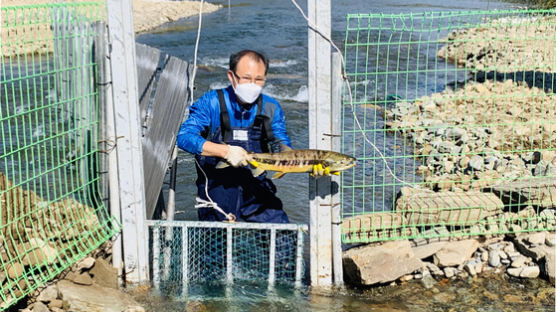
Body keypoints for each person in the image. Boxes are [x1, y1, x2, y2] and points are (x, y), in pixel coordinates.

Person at [177, 50, 327, 223]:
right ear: (231, 76)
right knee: (215, 244)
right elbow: (184, 137)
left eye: (259, 79)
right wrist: (224, 151)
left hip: (256, 185)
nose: (252, 84)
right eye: (246, 78)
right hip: (216, 187)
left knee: (282, 236)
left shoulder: (271, 107)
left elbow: (281, 143)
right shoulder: (211, 102)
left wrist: (307, 166)